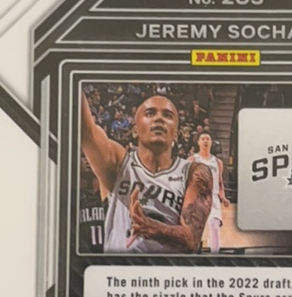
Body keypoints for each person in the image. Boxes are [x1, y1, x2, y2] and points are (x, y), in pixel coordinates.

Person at [81, 89, 212, 253]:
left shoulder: (194, 172)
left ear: (176, 134)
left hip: (170, 269)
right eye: (150, 113)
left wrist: (149, 227)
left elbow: (191, 239)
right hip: (120, 268)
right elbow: (85, 128)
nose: (159, 118)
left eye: (168, 115)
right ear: (135, 130)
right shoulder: (118, 163)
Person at [187, 132, 229, 253]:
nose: (205, 141)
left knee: (214, 226)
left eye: (208, 139)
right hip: (197, 197)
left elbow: (220, 182)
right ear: (198, 142)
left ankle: (215, 255)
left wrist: (223, 197)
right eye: (203, 139)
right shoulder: (192, 159)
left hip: (213, 197)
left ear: (211, 142)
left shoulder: (217, 162)